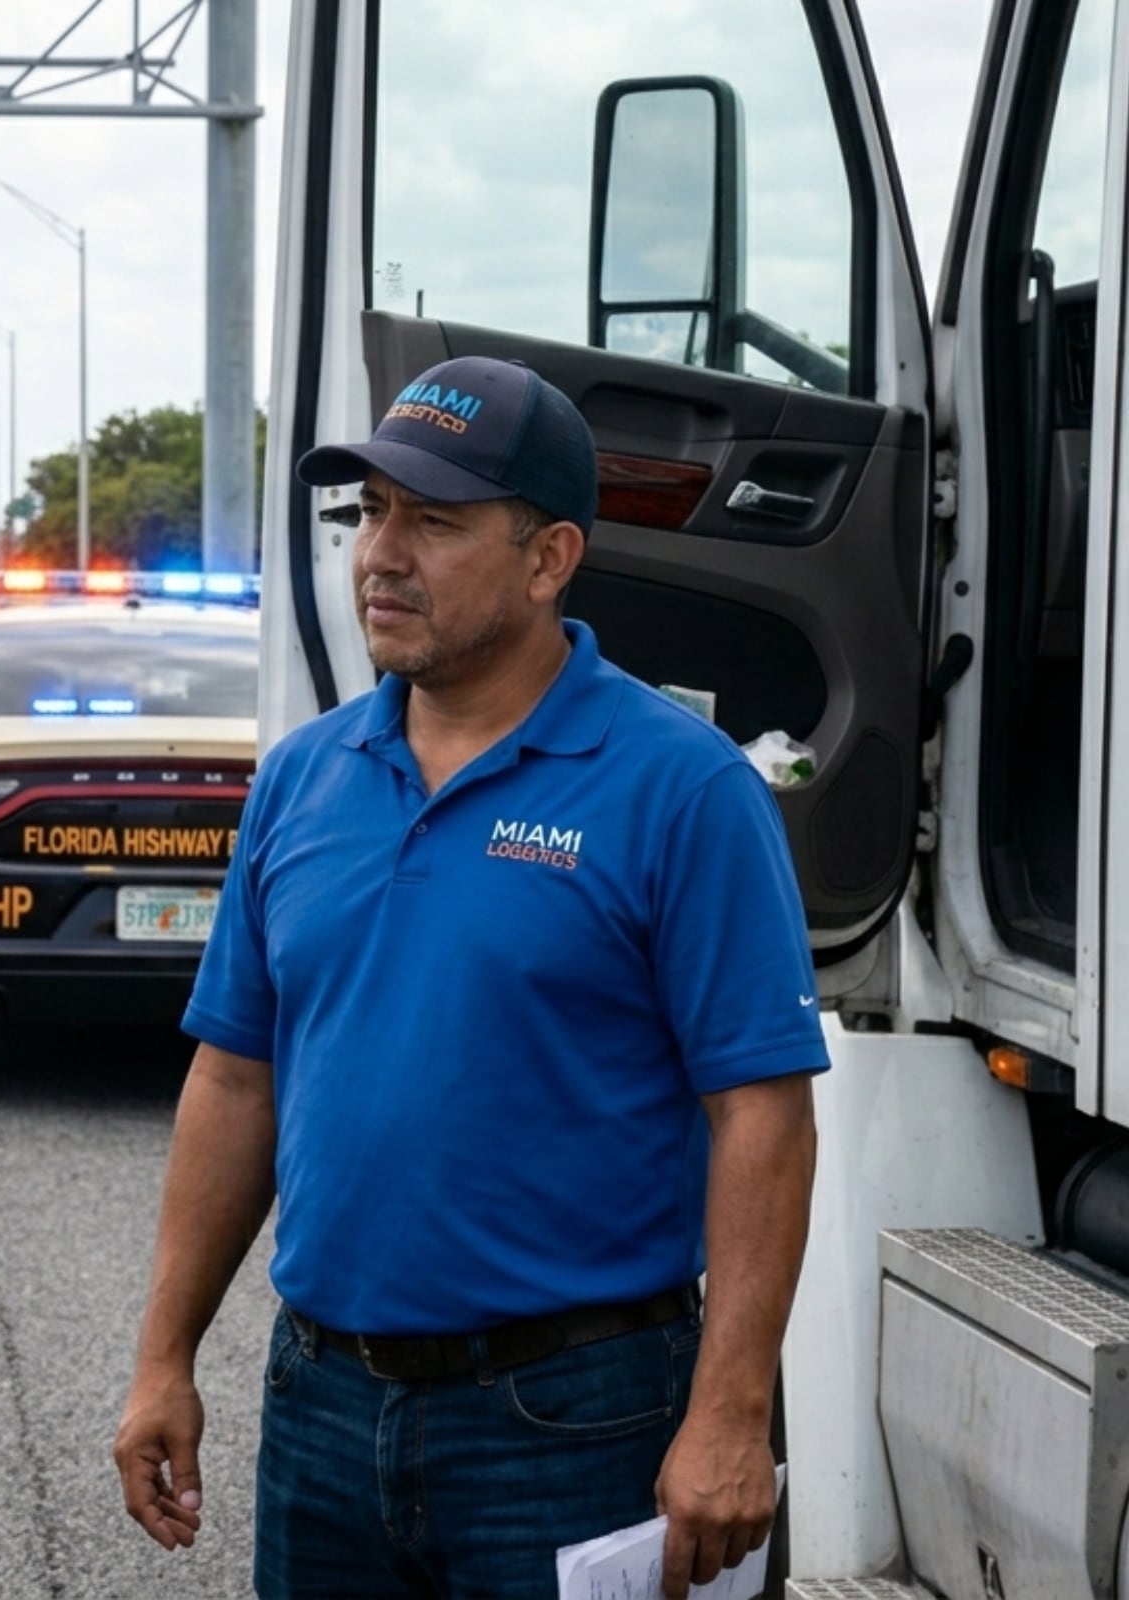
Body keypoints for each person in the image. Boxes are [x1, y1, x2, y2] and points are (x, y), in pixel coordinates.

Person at [110, 355, 824, 1598]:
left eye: (434, 521)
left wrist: (730, 1412)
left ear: (548, 559)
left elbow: (760, 1109)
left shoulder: (683, 786)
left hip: (573, 1419)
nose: (383, 553)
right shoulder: (304, 776)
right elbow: (236, 1078)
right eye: (370, 513)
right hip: (321, 1404)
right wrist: (163, 1356)